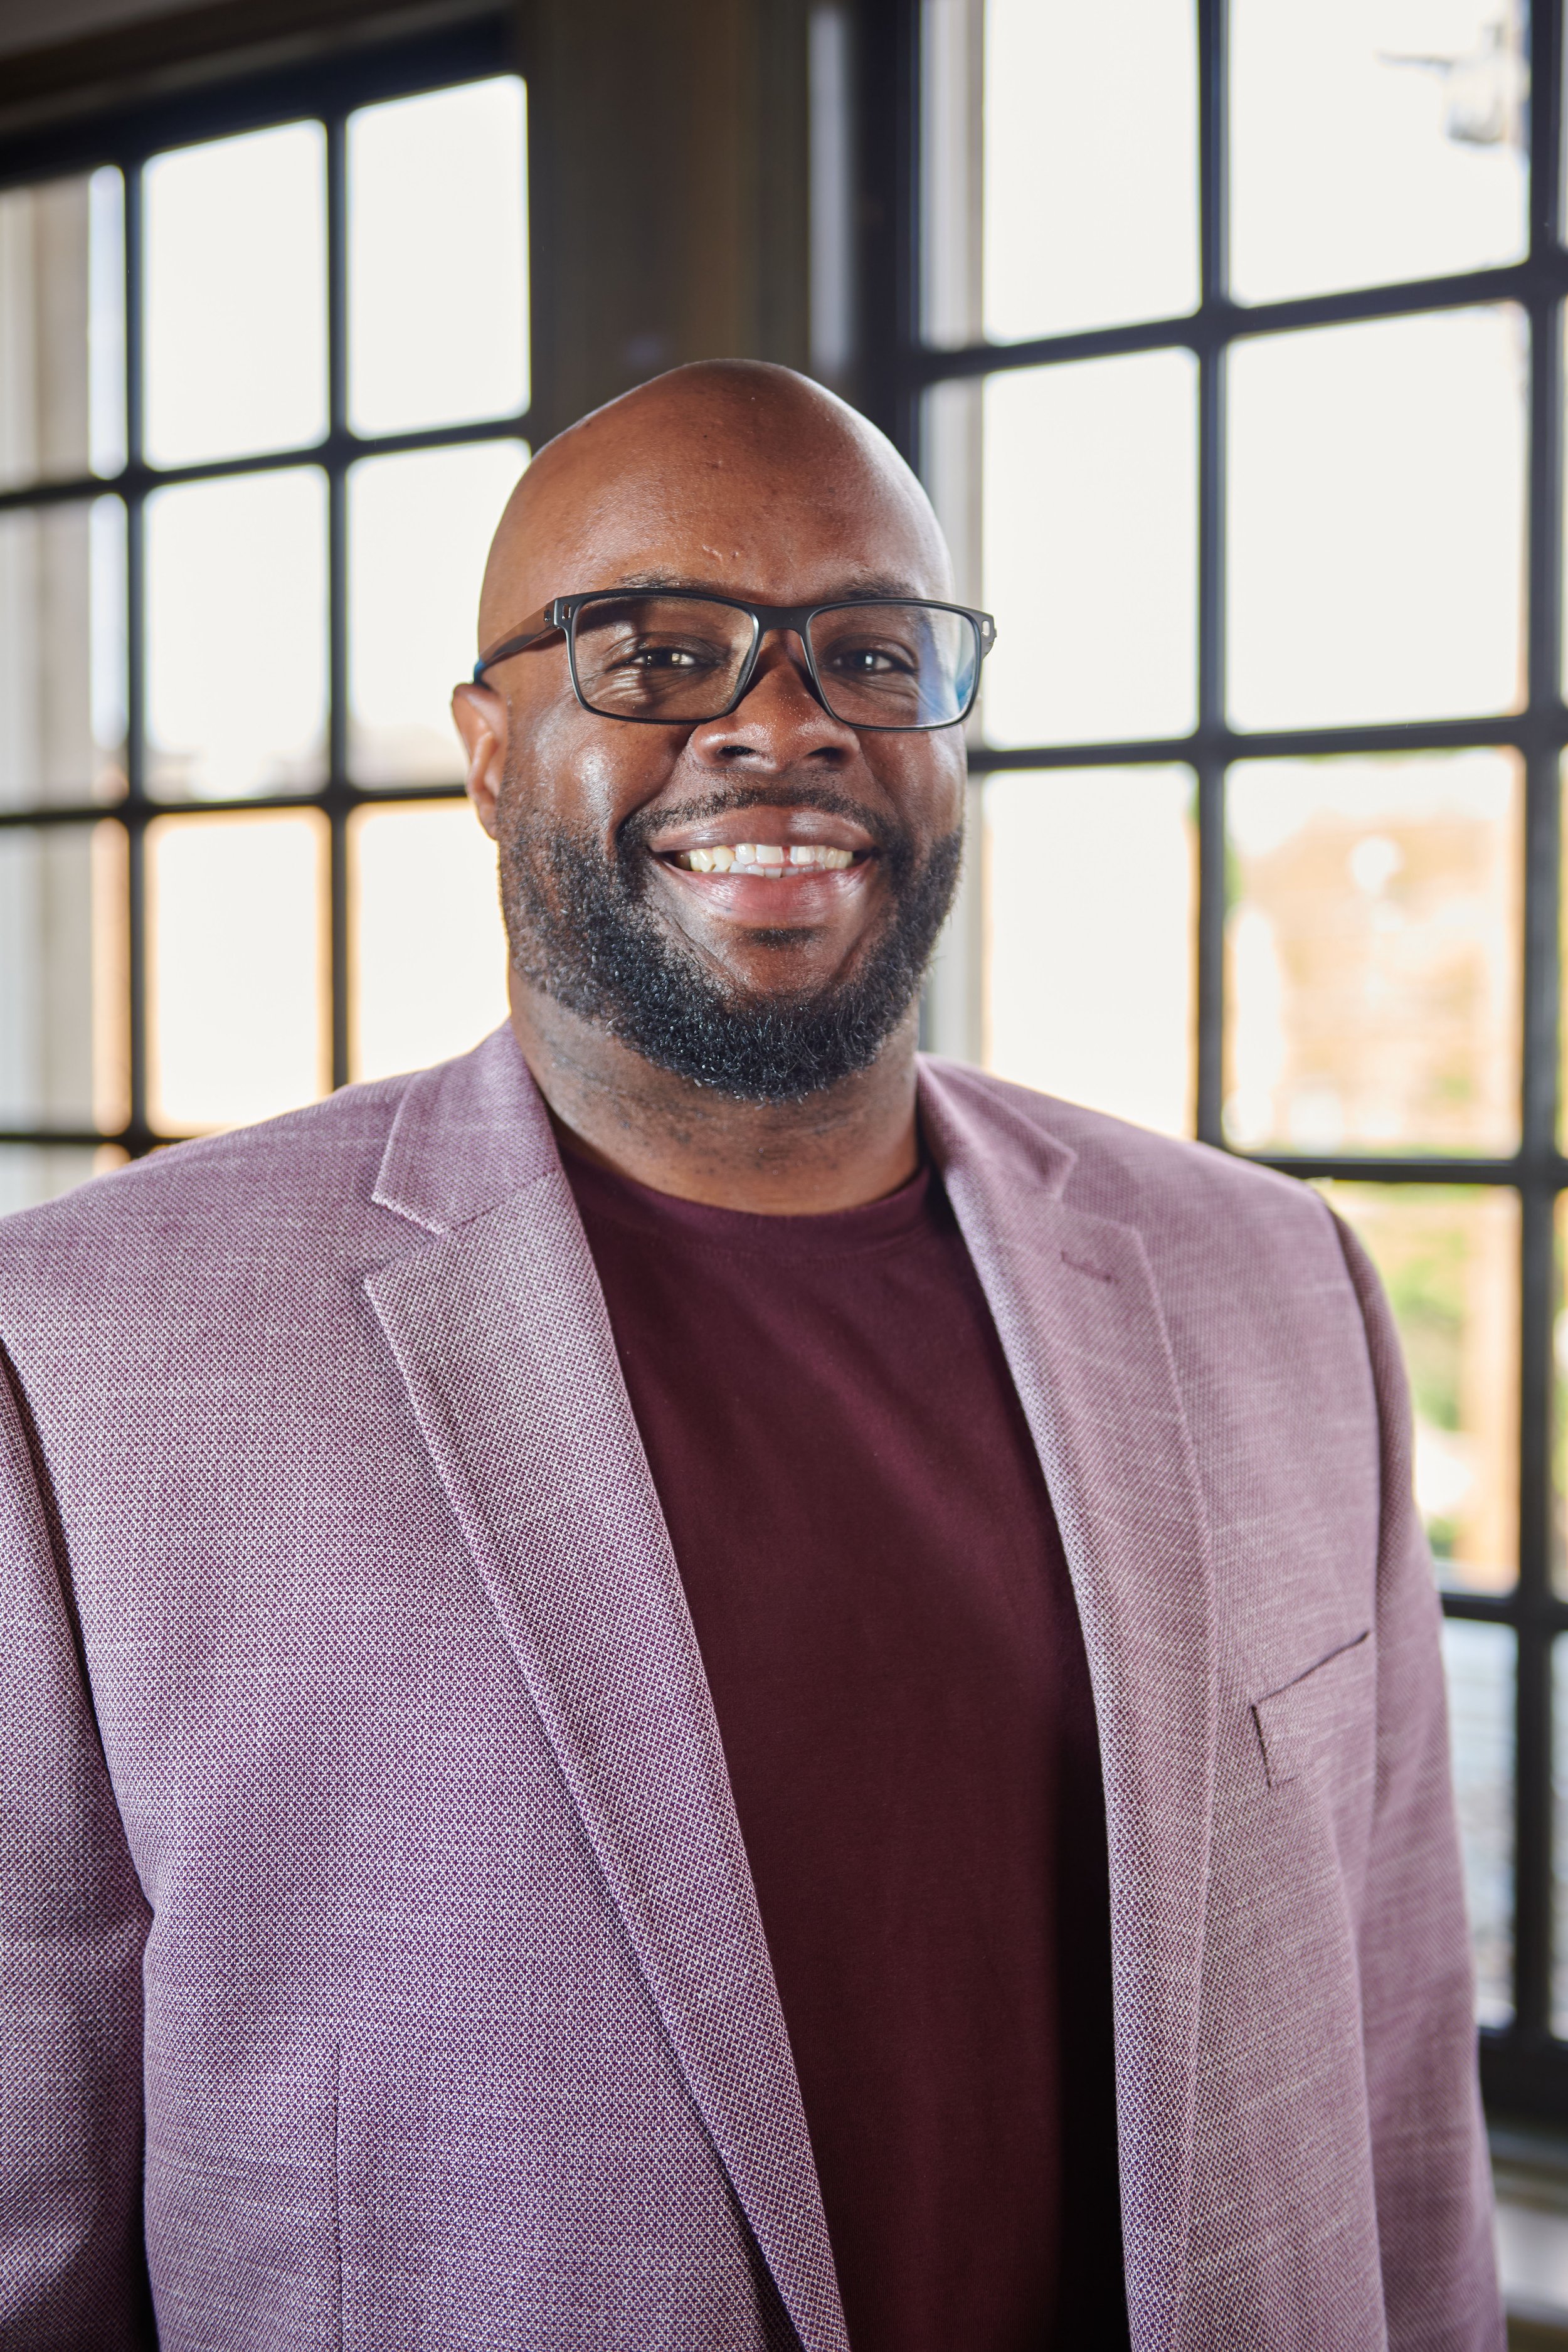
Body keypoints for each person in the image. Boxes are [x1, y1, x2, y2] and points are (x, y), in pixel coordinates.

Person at [0, 360, 1500, 2352]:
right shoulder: (91, 1354)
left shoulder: (1273, 1285)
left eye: (870, 653)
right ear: (482, 748)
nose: (779, 721)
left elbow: (1396, 2103)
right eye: (655, 651)